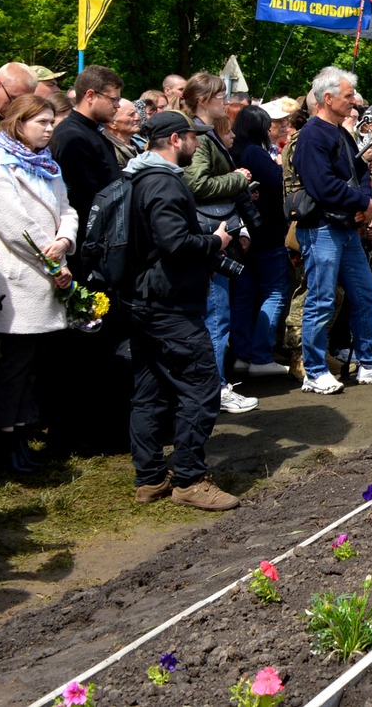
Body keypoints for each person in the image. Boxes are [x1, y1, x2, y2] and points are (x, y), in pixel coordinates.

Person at [122, 111, 240, 511]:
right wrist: (216, 242)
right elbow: (174, 242)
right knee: (201, 387)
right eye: (193, 137)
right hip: (169, 304)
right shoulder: (164, 183)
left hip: (144, 299)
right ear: (175, 140)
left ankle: (150, 478)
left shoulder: (136, 177)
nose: (198, 143)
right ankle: (189, 479)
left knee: (150, 391)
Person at [0, 95, 77, 472]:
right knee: (15, 364)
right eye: (42, 122)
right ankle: (6, 439)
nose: (50, 129)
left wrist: (65, 239)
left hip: (47, 271)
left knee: (31, 362)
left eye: (52, 121)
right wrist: (54, 262)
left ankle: (20, 431)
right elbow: (16, 227)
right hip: (19, 279)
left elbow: (67, 209)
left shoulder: (46, 164)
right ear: (19, 124)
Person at [289, 68, 372, 393]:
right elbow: (322, 185)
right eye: (348, 96)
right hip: (321, 228)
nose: (354, 102)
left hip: (345, 226)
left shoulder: (341, 132)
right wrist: (363, 202)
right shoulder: (312, 136)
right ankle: (314, 371)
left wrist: (366, 201)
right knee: (321, 299)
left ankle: (371, 363)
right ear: (328, 99)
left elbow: (360, 172)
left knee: (366, 293)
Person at [175, 74, 258, 415]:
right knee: (215, 316)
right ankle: (215, 389)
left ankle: (212, 387)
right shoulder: (198, 135)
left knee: (216, 315)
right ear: (202, 100)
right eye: (221, 95)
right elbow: (196, 184)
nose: (226, 100)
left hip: (214, 234)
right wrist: (238, 178)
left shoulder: (205, 134)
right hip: (209, 237)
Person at [229, 105, 290, 381]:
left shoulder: (233, 150)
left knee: (244, 296)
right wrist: (280, 165)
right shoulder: (254, 152)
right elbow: (278, 181)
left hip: (243, 234)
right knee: (275, 292)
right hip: (266, 232)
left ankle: (242, 355)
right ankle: (261, 355)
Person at [51, 65, 124, 229]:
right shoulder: (72, 136)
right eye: (113, 99)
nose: (117, 106)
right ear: (90, 96)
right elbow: (82, 199)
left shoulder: (92, 132)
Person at [107, 97, 142, 163]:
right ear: (112, 123)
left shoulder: (138, 147)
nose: (138, 118)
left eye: (136, 112)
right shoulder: (109, 152)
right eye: (131, 114)